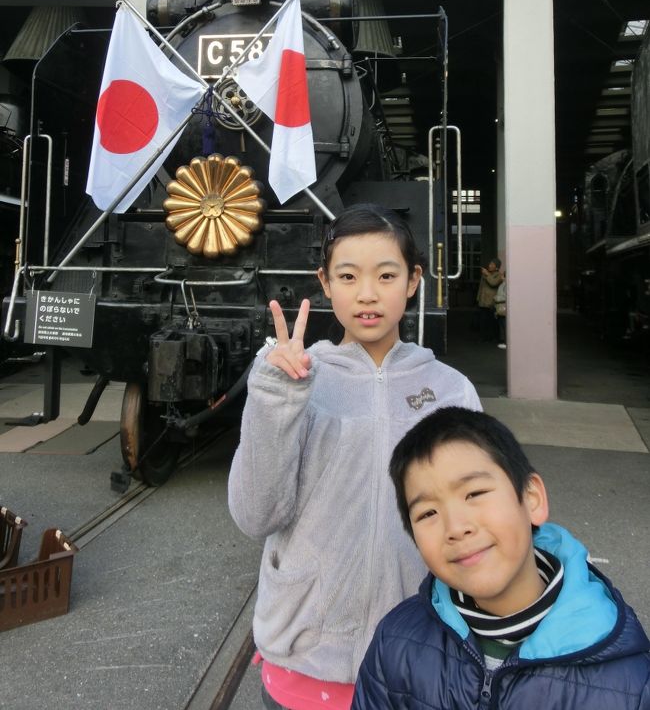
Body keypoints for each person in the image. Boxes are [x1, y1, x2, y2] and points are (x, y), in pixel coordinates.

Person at [228, 204, 482, 710]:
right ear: (326, 283)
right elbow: (256, 515)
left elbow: (479, 524)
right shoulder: (298, 378)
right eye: (348, 276)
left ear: (413, 281)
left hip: (419, 660)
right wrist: (276, 400)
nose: (367, 293)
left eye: (386, 275)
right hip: (304, 659)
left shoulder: (450, 390)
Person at [352, 407, 650, 710]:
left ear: (532, 499)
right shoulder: (397, 640)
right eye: (428, 512)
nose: (456, 527)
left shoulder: (630, 682)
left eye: (475, 493)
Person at [476, 258, 503, 342]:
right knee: (483, 320)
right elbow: (481, 287)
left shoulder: (499, 275)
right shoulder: (485, 275)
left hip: (491, 302)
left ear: (497, 267)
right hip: (483, 301)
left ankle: (493, 337)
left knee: (492, 322)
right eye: (489, 264)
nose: (489, 266)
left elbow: (493, 283)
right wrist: (478, 297)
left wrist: (487, 274)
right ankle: (483, 337)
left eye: (492, 264)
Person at [494, 276, 506, 349]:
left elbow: (505, 296)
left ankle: (505, 341)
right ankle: (502, 340)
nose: (500, 276)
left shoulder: (506, 284)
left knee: (504, 324)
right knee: (501, 323)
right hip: (500, 306)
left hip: (503, 305)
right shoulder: (502, 284)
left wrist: (496, 298)